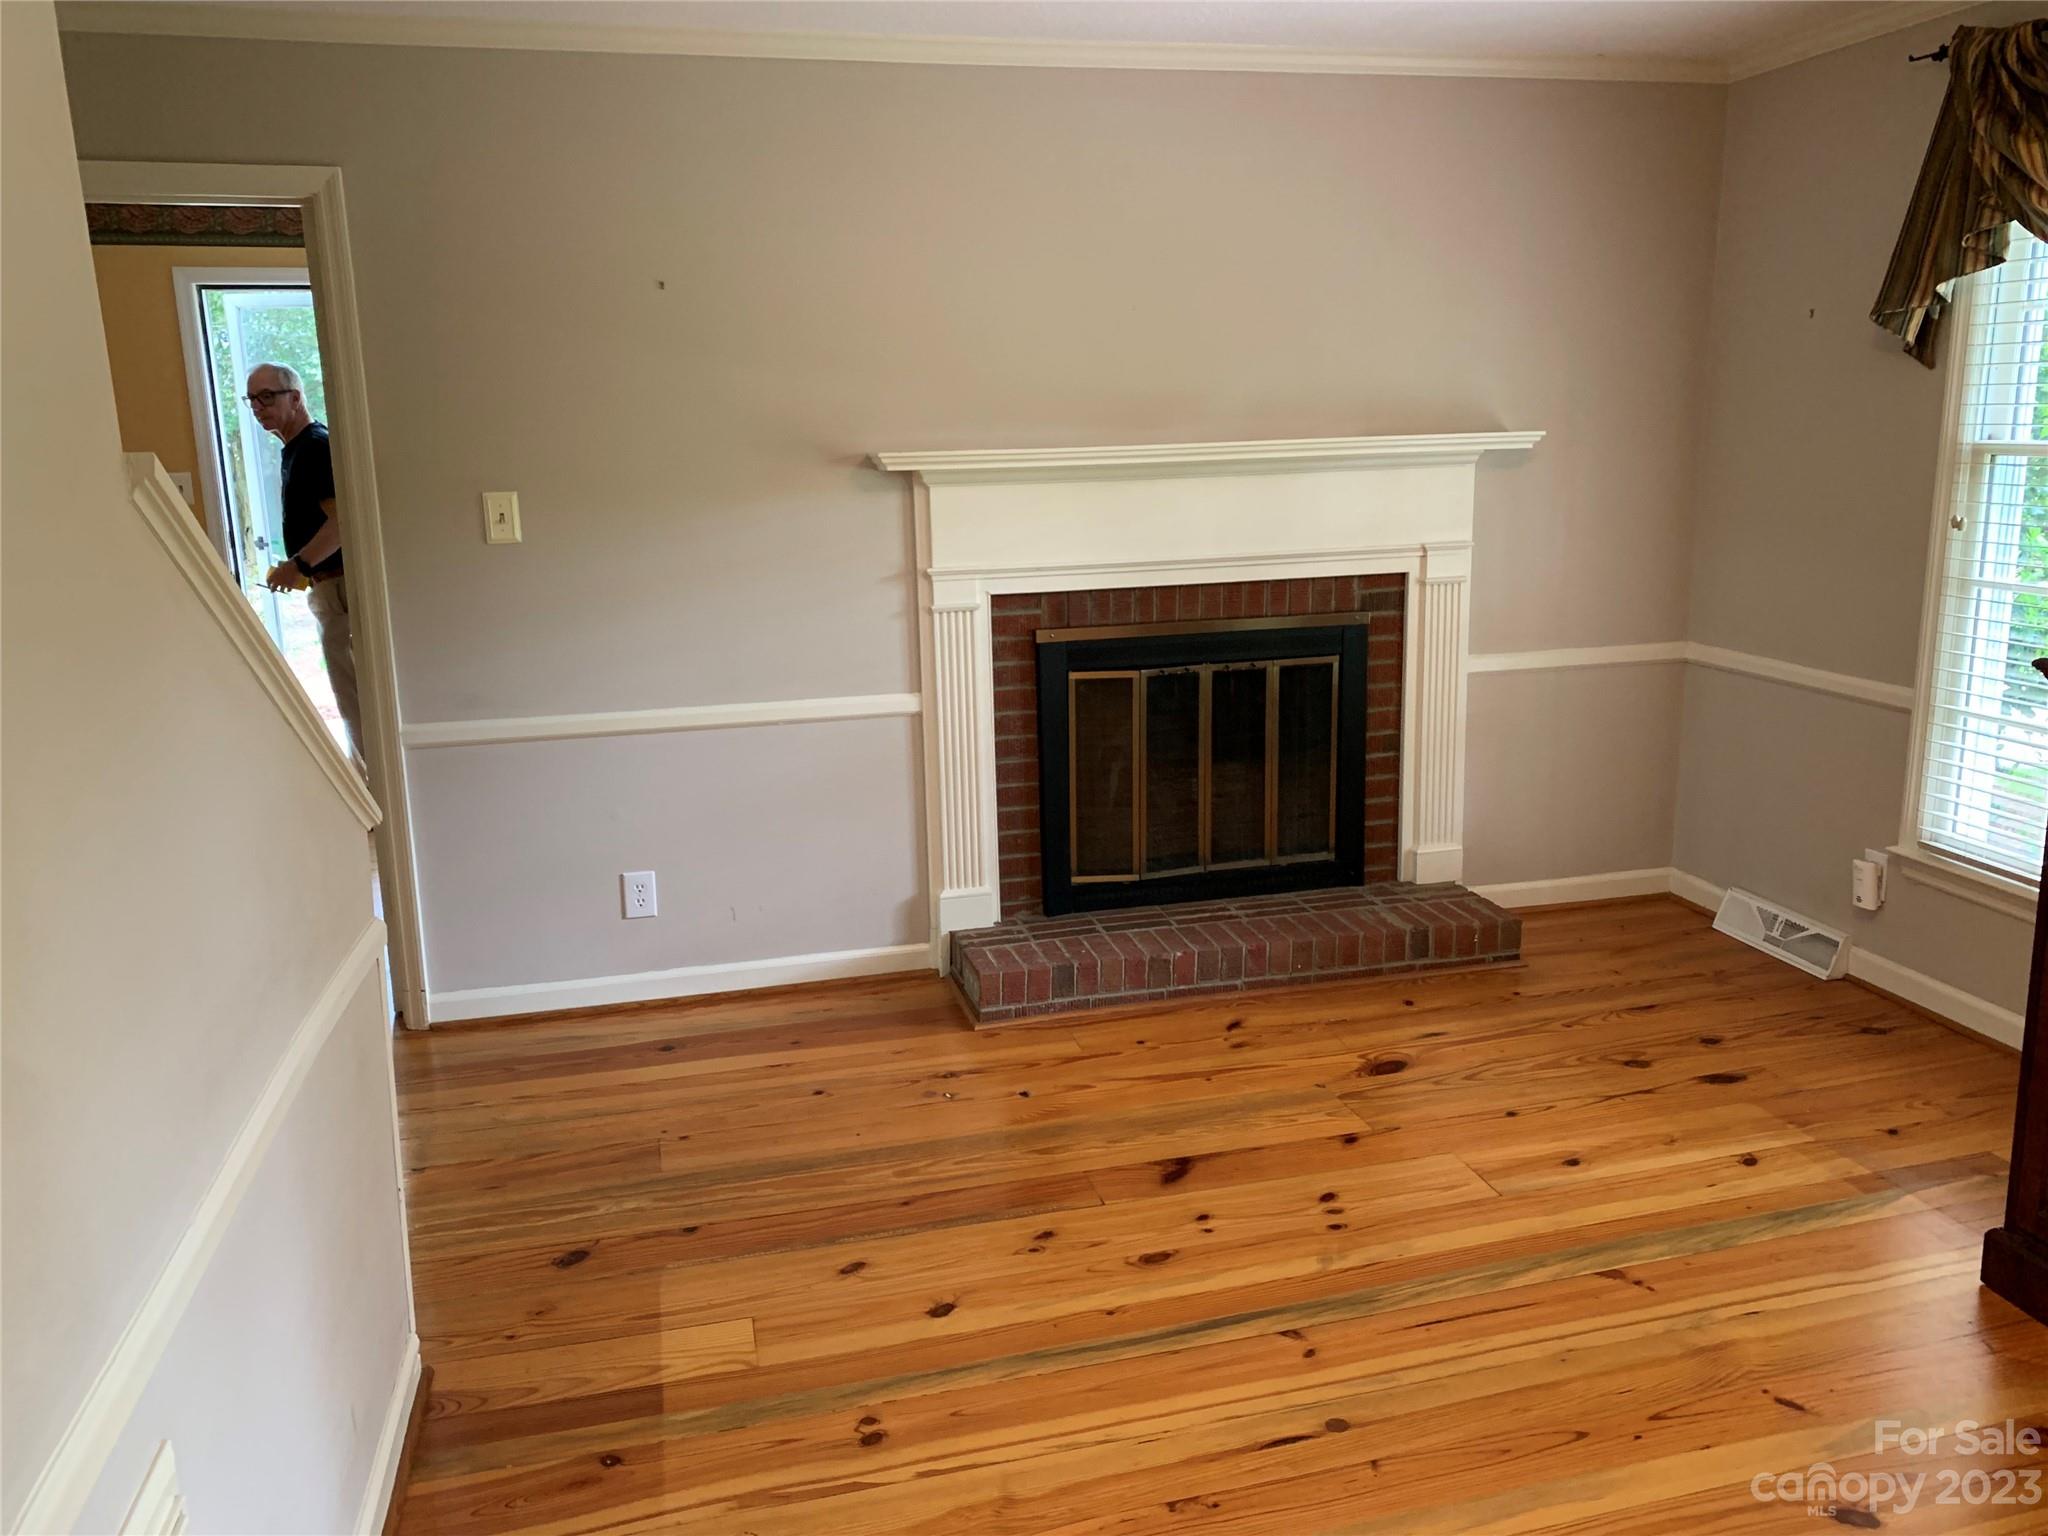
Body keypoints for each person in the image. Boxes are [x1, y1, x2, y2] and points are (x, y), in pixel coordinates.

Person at [250, 363, 365, 772]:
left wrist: (297, 565)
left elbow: (343, 524)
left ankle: (377, 805)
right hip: (328, 588)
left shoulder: (315, 447)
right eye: (252, 399)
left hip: (339, 587)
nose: (257, 407)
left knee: (355, 701)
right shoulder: (297, 449)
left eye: (267, 396)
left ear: (295, 397)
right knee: (350, 697)